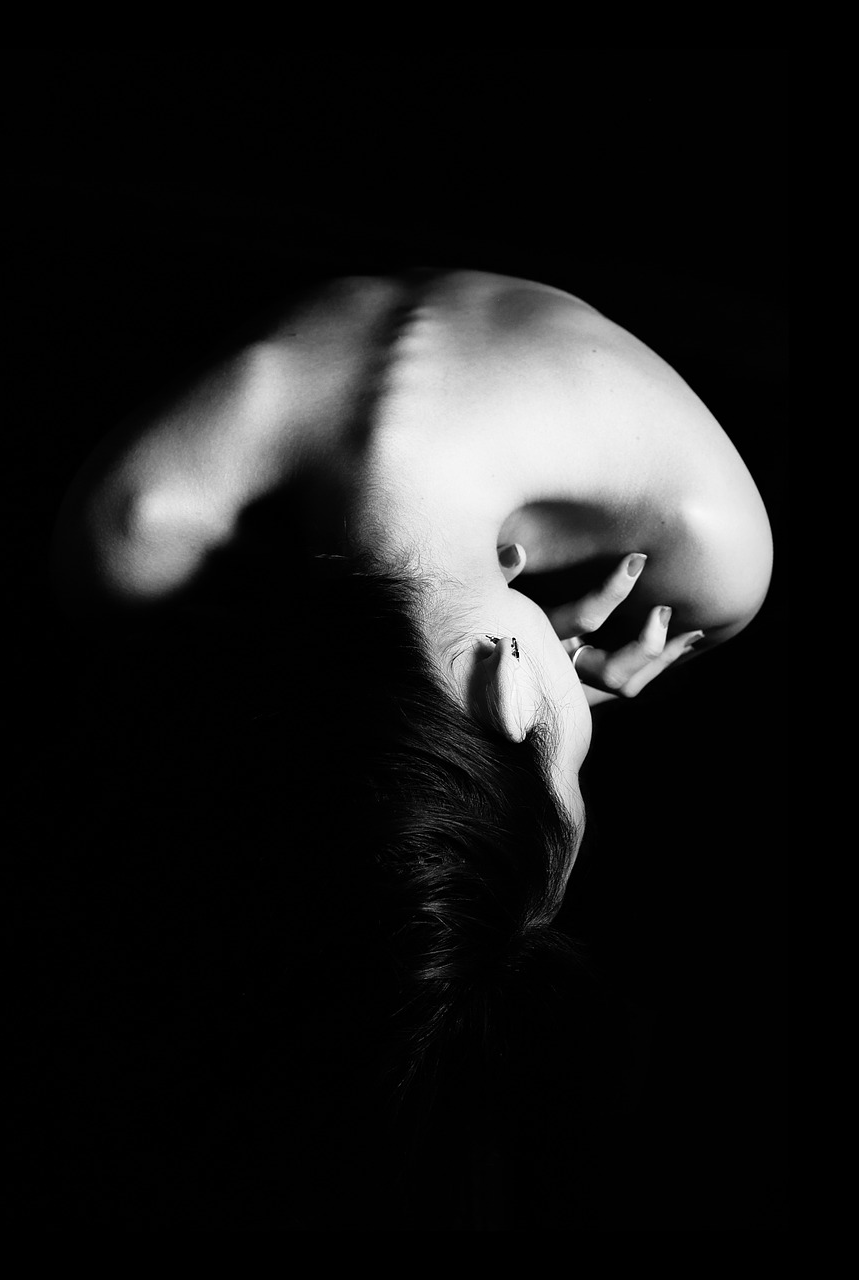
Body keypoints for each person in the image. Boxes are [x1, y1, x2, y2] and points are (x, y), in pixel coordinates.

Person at [50, 267, 773, 1223]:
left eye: (574, 763)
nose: (588, 728)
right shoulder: (136, 536)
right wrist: (524, 674)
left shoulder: (709, 554)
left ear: (513, 695)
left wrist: (534, 680)